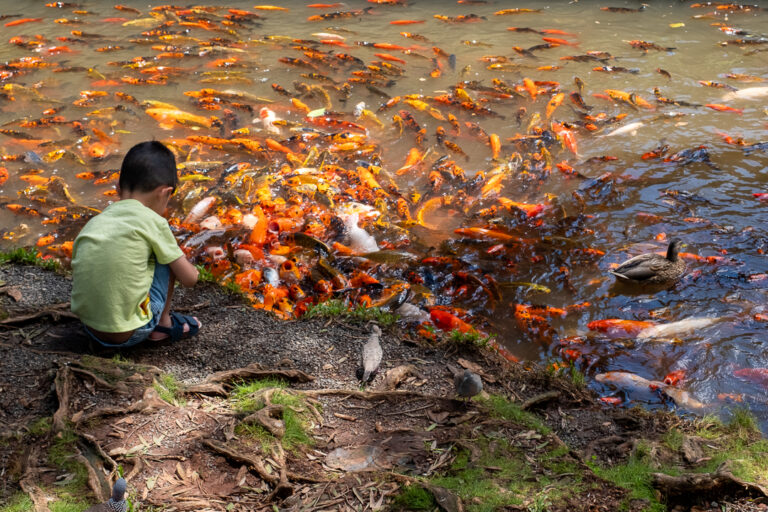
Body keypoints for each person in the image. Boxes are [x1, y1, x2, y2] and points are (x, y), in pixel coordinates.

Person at [71, 141, 201, 348]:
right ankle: (162, 325)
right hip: (131, 333)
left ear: (117, 188)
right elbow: (190, 279)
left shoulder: (96, 222)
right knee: (166, 257)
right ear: (165, 193)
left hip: (89, 326)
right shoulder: (154, 222)